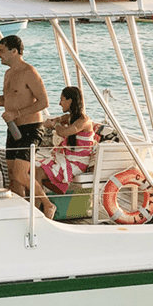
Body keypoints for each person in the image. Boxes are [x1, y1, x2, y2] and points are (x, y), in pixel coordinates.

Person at [0, 35, 48, 203]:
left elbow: (44, 102)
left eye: (1, 51)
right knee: (13, 176)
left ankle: (47, 205)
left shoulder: (29, 72)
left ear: (14, 51)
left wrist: (17, 114)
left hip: (30, 128)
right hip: (13, 129)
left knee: (20, 174)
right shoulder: (8, 74)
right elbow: (5, 101)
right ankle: (21, 209)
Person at [30, 86, 95, 219]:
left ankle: (41, 209)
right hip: (67, 159)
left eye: (62, 100)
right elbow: (59, 120)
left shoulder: (84, 121)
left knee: (38, 173)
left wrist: (54, 125)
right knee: (31, 170)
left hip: (77, 163)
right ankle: (37, 207)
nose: (60, 103)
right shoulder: (70, 117)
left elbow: (64, 132)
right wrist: (53, 121)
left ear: (70, 101)